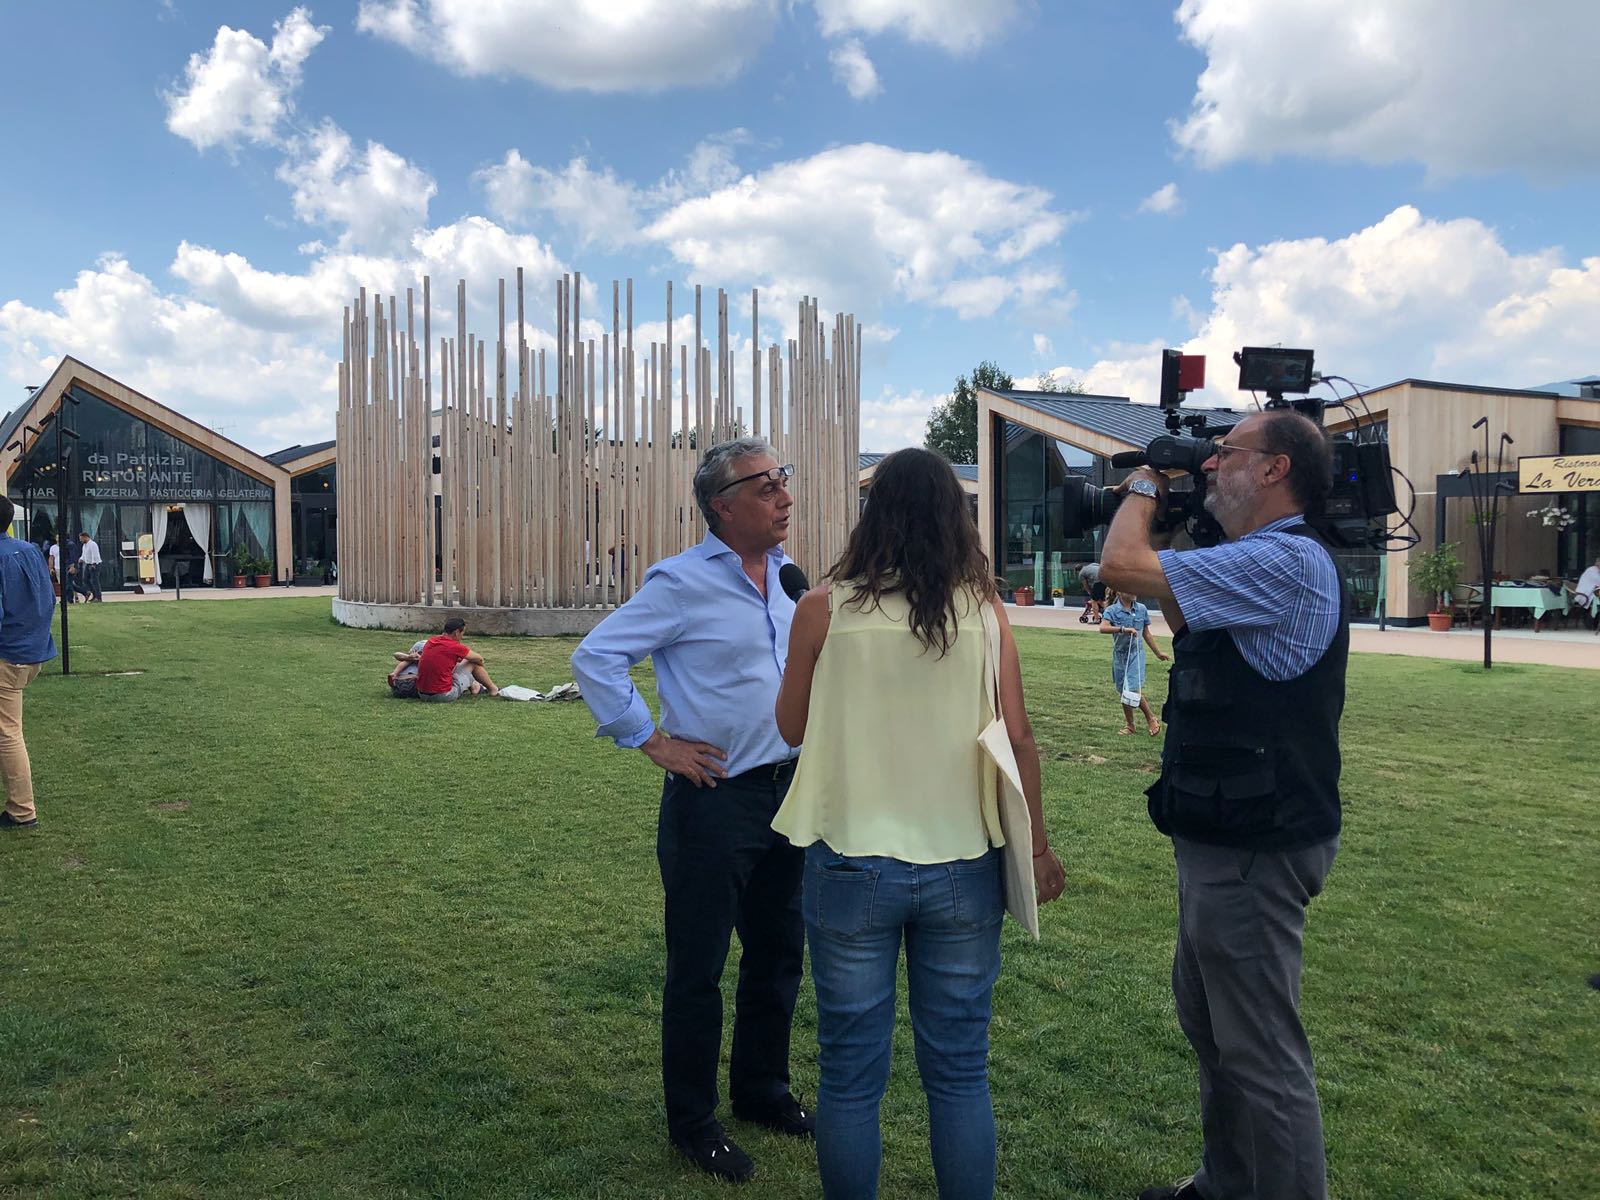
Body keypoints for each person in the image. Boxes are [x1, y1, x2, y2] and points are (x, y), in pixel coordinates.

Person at [771, 448, 1066, 1199]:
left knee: (848, 1073)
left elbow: (792, 727)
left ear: (873, 518)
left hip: (849, 862)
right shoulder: (984, 612)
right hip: (964, 863)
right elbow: (1020, 736)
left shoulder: (822, 607)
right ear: (954, 518)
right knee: (961, 1071)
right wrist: (1036, 845)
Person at [1100, 408, 1347, 1200]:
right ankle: (1227, 1185)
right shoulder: (1254, 561)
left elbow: (1119, 565)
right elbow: (1183, 621)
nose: (1209, 467)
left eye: (1225, 455)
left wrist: (1146, 481)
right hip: (1226, 835)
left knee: (1263, 1055)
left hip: (1255, 843)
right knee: (1217, 1034)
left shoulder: (1287, 560)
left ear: (1276, 470)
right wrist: (1184, 515)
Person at [570, 437, 810, 1183]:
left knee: (777, 956)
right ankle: (693, 1122)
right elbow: (596, 657)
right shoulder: (678, 583)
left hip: (790, 791)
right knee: (699, 969)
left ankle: (762, 1090)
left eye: (783, 479)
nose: (782, 495)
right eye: (765, 485)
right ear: (721, 506)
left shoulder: (790, 580)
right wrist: (651, 740)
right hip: (714, 800)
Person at [0, 497, 59, 830]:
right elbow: (48, 598)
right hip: (31, 650)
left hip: (9, 654)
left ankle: (22, 810)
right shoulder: (30, 551)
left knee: (8, 732)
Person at [1100, 590, 1168, 736]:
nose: (1134, 592)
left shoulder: (1141, 609)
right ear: (1119, 592)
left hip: (1136, 654)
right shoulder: (1112, 610)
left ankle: (1151, 718)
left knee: (1132, 688)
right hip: (1119, 655)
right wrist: (1122, 629)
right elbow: (1103, 628)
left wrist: (1158, 653)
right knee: (1123, 690)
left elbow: (1146, 633)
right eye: (1129, 589)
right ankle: (1130, 726)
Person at [415, 617, 500, 701]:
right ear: (456, 633)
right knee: (473, 662)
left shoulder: (431, 641)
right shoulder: (454, 646)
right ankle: (493, 689)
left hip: (422, 694)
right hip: (443, 695)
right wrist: (480, 665)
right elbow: (479, 659)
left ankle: (474, 686)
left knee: (461, 663)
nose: (462, 636)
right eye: (462, 633)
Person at [73, 532, 104, 602]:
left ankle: (98, 597)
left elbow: (95, 554)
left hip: (94, 564)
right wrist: (81, 559)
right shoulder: (84, 546)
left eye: (81, 539)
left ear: (85, 537)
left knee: (94, 580)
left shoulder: (93, 544)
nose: (80, 540)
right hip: (87, 564)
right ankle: (94, 594)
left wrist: (94, 563)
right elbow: (84, 554)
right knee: (85, 579)